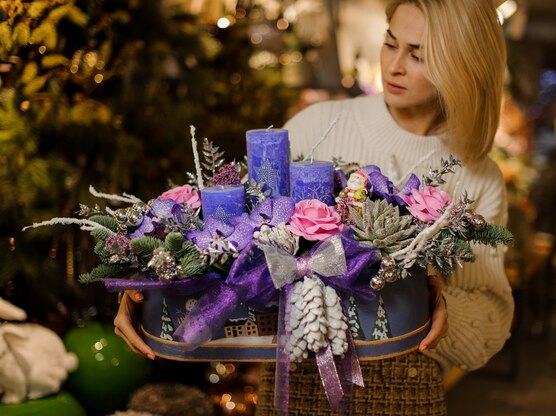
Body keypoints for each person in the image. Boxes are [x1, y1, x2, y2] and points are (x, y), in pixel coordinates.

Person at [114, 0, 514, 414]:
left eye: (418, 55)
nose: (394, 66)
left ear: (464, 65)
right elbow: (237, 248)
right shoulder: (316, 127)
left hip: (404, 393)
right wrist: (151, 287)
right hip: (294, 389)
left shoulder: (478, 175)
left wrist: (430, 306)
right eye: (390, 43)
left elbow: (491, 319)